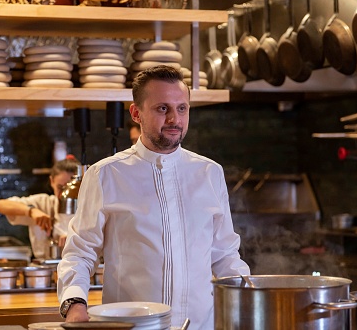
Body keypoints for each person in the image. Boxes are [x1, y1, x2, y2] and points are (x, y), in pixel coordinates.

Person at [56, 65, 250, 330]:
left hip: (201, 325)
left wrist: (251, 303)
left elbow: (225, 255)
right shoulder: (106, 174)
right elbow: (80, 252)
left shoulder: (209, 172)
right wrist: (74, 303)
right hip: (131, 326)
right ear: (136, 113)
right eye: (162, 109)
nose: (174, 119)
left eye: (182, 108)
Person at [0, 156, 81, 260]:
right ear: (51, 181)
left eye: (70, 188)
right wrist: (31, 211)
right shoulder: (44, 203)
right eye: (60, 187)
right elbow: (0, 205)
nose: (64, 193)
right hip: (45, 270)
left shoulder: (90, 208)